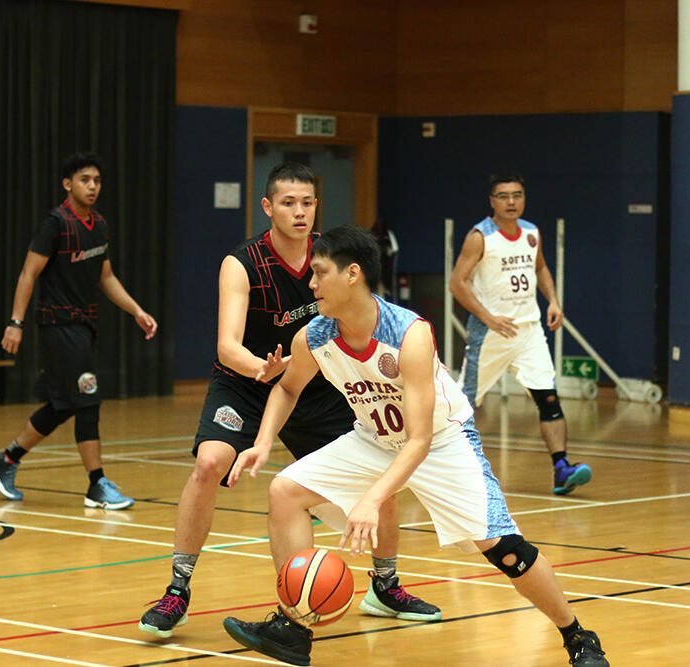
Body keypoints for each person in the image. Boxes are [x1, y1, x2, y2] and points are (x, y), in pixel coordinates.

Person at [222, 224, 609, 667]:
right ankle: (292, 627)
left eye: (320, 273)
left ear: (352, 275)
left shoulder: (409, 334)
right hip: (376, 438)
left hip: (443, 443)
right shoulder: (314, 335)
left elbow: (421, 438)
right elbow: (287, 389)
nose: (310, 284)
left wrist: (372, 498)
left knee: (504, 548)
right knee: (285, 491)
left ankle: (577, 636)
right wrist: (264, 440)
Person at [138, 163, 439, 639]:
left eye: (307, 203)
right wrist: (259, 367)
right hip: (246, 382)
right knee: (209, 463)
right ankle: (178, 589)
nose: (299, 212)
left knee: (378, 465)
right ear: (268, 207)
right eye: (288, 203)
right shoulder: (242, 263)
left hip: (315, 385)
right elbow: (226, 346)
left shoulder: (330, 259)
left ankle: (385, 585)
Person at [0, 151, 157, 511]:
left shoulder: (99, 225)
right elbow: (28, 274)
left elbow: (105, 277)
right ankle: (97, 485)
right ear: (68, 184)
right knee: (88, 399)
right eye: (84, 180)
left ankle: (7, 459)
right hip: (58, 324)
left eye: (97, 180)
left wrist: (136, 310)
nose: (92, 186)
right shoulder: (55, 224)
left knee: (63, 404)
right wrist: (15, 323)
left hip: (83, 325)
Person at [449, 172, 592, 496]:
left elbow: (539, 267)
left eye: (517, 195)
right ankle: (435, 468)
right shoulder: (479, 236)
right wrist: (488, 317)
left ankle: (561, 467)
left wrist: (552, 300)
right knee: (460, 405)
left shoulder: (531, 232)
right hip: (490, 333)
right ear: (492, 201)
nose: (511, 201)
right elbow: (457, 283)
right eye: (503, 196)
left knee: (548, 397)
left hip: (529, 331)